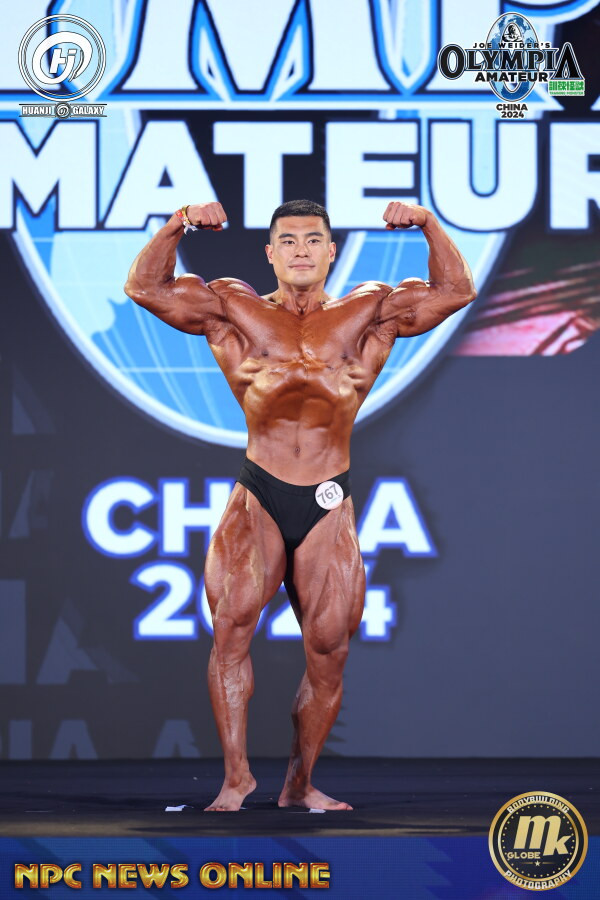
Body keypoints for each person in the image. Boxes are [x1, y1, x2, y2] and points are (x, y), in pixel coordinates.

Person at [124, 199, 476, 811]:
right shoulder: (233, 308)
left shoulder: (369, 310)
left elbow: (456, 291)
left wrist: (426, 223)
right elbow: (144, 287)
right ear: (270, 253)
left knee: (329, 649)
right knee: (231, 630)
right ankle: (236, 777)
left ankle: (300, 781)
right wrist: (179, 222)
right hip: (259, 491)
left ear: (332, 251)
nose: (301, 251)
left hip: (327, 497)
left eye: (313, 239)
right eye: (288, 241)